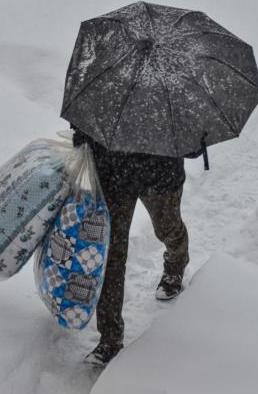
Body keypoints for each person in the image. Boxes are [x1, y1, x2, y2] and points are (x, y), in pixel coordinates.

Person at [70, 124, 190, 366]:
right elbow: (85, 118)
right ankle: (110, 339)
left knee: (167, 229)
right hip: (113, 173)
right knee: (111, 256)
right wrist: (82, 135)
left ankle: (176, 262)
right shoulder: (104, 87)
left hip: (160, 174)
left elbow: (194, 140)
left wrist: (192, 138)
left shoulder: (176, 92)